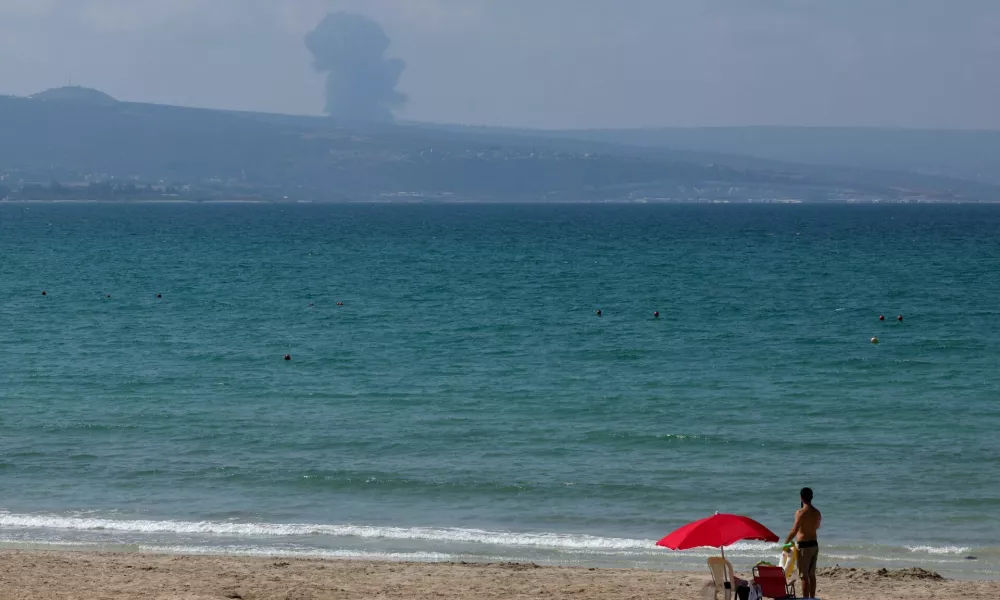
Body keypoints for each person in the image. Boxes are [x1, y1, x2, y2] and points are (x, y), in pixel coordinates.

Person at [785, 487, 821, 598]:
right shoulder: (817, 513)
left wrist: (786, 542)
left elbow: (794, 530)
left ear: (801, 498)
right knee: (812, 575)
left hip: (804, 546)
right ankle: (812, 597)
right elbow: (817, 527)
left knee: (804, 577)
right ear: (812, 497)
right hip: (814, 545)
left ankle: (806, 599)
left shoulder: (800, 513)